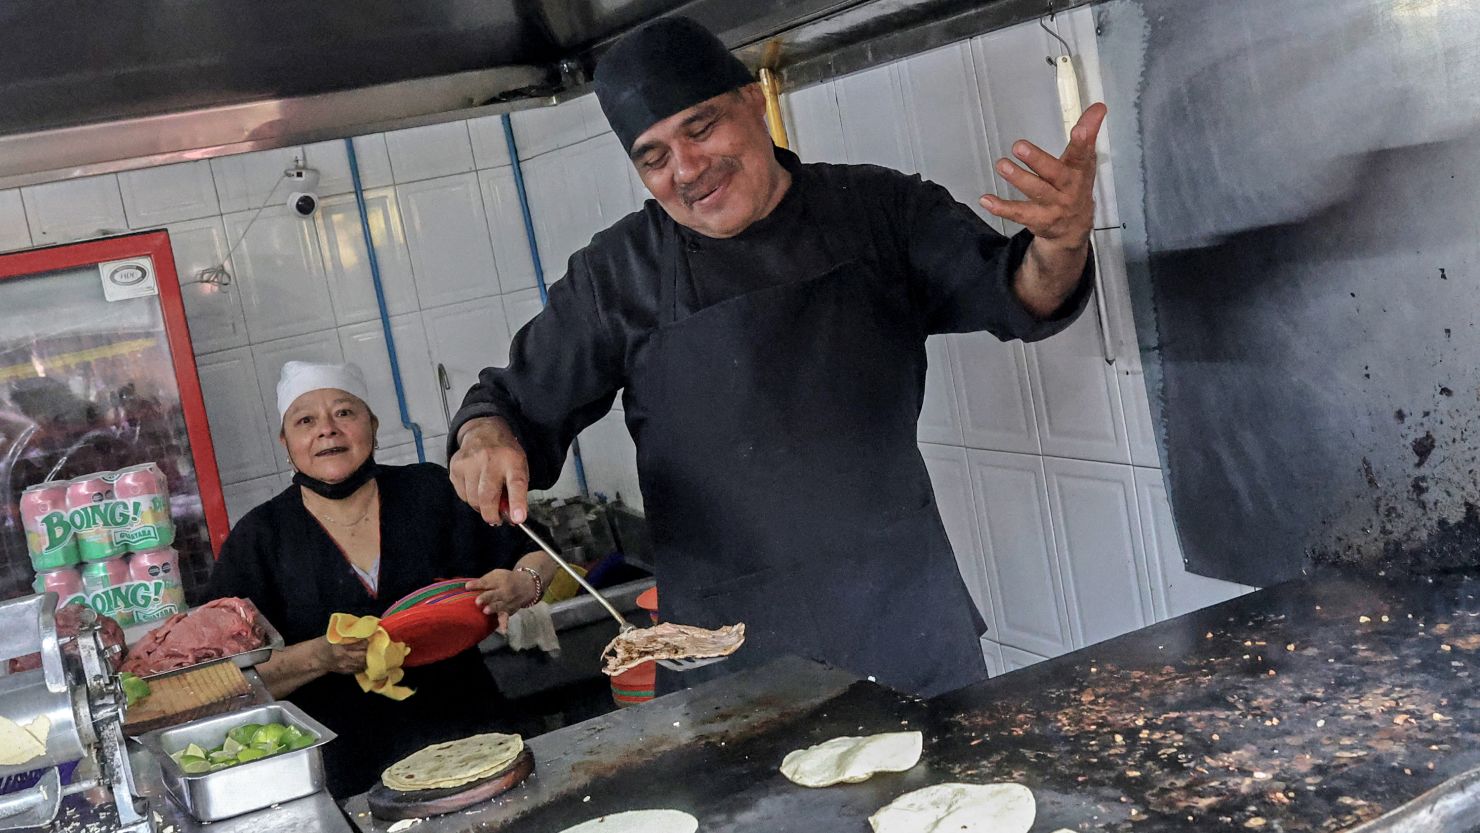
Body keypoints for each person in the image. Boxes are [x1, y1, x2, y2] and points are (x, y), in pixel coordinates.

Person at [447, 17, 1105, 698]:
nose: (687, 169)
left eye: (701, 129)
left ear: (754, 102)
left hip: (904, 624)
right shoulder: (617, 274)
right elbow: (510, 405)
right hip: (725, 658)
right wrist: (484, 435)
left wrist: (1061, 243)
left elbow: (1019, 294)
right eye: (654, 157)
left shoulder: (879, 209)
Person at [208, 361, 558, 798]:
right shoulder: (260, 538)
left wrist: (525, 583)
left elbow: (540, 550)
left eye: (344, 413)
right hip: (349, 779)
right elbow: (226, 678)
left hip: (475, 742)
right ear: (286, 442)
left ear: (371, 425)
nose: (327, 430)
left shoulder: (429, 490)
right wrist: (320, 656)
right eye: (305, 421)